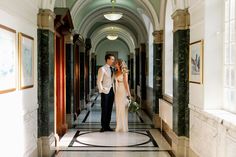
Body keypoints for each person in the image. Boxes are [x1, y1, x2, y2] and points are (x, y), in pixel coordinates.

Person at [97, 54, 115, 132]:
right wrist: (102, 90)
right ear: (107, 60)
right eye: (112, 59)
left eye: (113, 59)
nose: (113, 61)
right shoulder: (102, 69)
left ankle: (107, 125)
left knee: (110, 109)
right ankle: (103, 126)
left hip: (112, 91)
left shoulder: (113, 69)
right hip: (105, 91)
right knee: (104, 108)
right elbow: (99, 81)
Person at [114, 59, 131, 132]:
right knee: (118, 108)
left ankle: (124, 127)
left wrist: (129, 94)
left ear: (120, 64)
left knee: (123, 109)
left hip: (123, 90)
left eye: (116, 63)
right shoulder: (116, 72)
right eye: (115, 63)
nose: (115, 64)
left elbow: (126, 83)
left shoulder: (124, 72)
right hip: (117, 91)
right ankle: (118, 126)